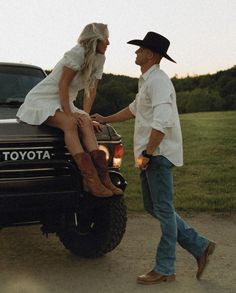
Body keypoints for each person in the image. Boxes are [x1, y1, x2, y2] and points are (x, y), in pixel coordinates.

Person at [92, 32, 216, 284]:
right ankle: (200, 246)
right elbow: (133, 110)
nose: (135, 53)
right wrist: (104, 119)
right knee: (155, 207)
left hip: (156, 154)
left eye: (140, 50)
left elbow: (163, 119)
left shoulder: (158, 81)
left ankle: (165, 268)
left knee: (163, 209)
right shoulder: (147, 81)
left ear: (150, 54)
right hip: (151, 155)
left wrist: (148, 152)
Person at [16, 22, 123, 197]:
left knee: (86, 123)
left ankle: (104, 179)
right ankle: (90, 179)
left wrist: (86, 115)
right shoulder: (77, 53)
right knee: (70, 124)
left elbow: (91, 90)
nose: (108, 43)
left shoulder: (99, 58)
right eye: (106, 39)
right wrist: (69, 114)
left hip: (64, 101)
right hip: (42, 100)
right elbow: (63, 84)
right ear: (96, 39)